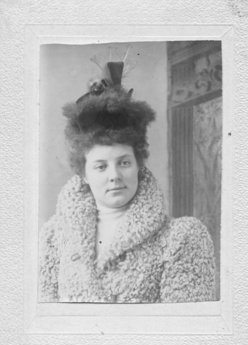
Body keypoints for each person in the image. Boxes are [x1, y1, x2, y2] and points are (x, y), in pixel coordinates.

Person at [39, 60, 216, 303]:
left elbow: (185, 337)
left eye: (124, 162)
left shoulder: (181, 237)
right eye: (101, 166)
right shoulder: (54, 236)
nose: (114, 175)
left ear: (138, 165)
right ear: (83, 174)